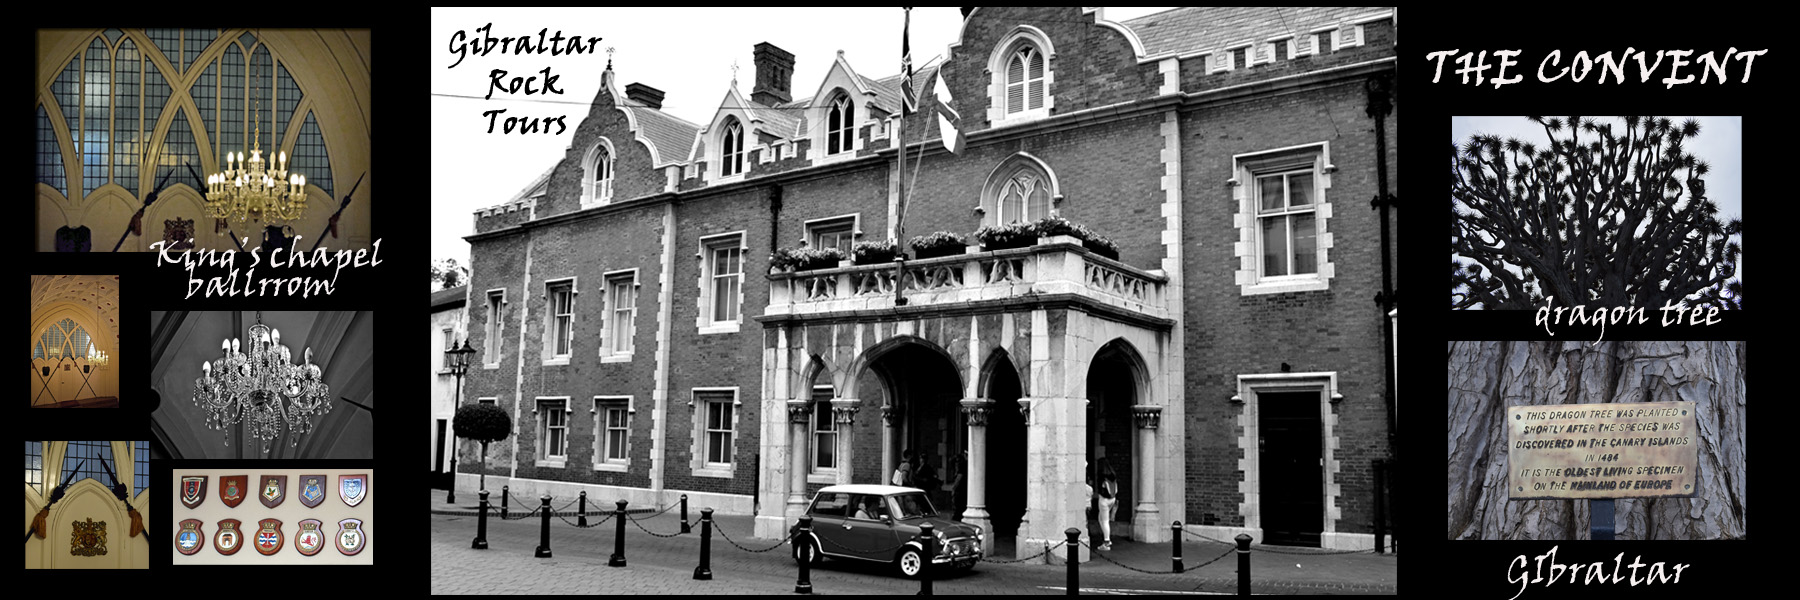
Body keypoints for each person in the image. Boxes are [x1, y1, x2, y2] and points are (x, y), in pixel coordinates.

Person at [1096, 460, 1119, 550]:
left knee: (1105, 521)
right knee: (1101, 518)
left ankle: (1107, 542)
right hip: (1112, 499)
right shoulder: (1113, 477)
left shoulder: (1102, 478)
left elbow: (1101, 490)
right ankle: (1106, 539)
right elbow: (1116, 490)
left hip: (1104, 500)